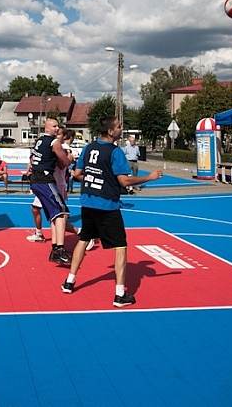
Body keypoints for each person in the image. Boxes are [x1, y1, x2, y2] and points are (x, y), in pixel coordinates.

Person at [61, 116, 162, 307]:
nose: (121, 129)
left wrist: (95, 182)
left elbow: (77, 174)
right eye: (118, 127)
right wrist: (149, 177)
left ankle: (69, 281)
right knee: (120, 246)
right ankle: (119, 294)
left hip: (88, 202)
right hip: (107, 205)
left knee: (83, 240)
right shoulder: (115, 152)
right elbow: (124, 181)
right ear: (110, 131)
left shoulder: (89, 147)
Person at [30, 118, 72, 264]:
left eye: (58, 126)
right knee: (61, 212)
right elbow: (64, 162)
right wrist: (71, 157)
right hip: (45, 180)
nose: (57, 128)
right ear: (47, 127)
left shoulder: (39, 141)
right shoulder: (54, 143)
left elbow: (34, 159)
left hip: (35, 180)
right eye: (54, 126)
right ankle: (59, 250)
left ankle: (55, 248)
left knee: (54, 215)